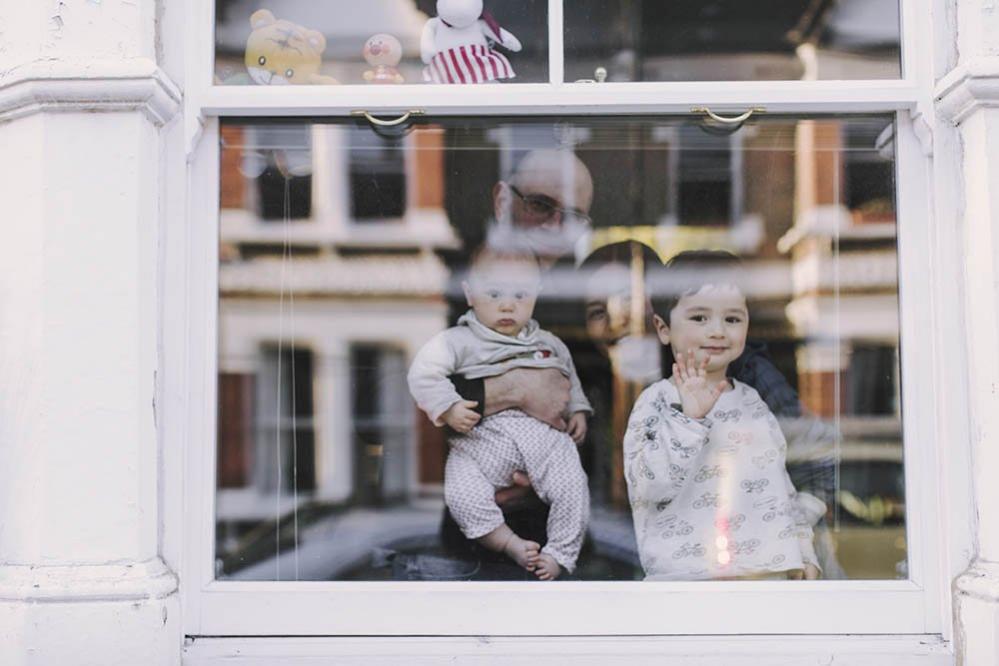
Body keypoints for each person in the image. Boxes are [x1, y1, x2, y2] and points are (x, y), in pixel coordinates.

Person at [623, 250, 825, 580]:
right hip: (689, 584)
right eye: (700, 318)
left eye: (732, 319)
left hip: (765, 578)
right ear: (663, 328)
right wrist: (689, 419)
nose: (717, 331)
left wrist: (802, 551)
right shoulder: (656, 402)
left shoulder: (752, 402)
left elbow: (778, 488)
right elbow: (648, 486)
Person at [409, 249, 592, 580]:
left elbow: (569, 379)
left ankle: (559, 554)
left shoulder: (550, 343)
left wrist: (578, 408)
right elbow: (422, 374)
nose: (507, 305)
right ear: (469, 294)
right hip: (481, 443)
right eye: (494, 293)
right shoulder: (457, 341)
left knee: (572, 486)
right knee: (462, 492)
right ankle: (510, 544)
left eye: (520, 294)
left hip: (543, 441)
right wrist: (448, 406)